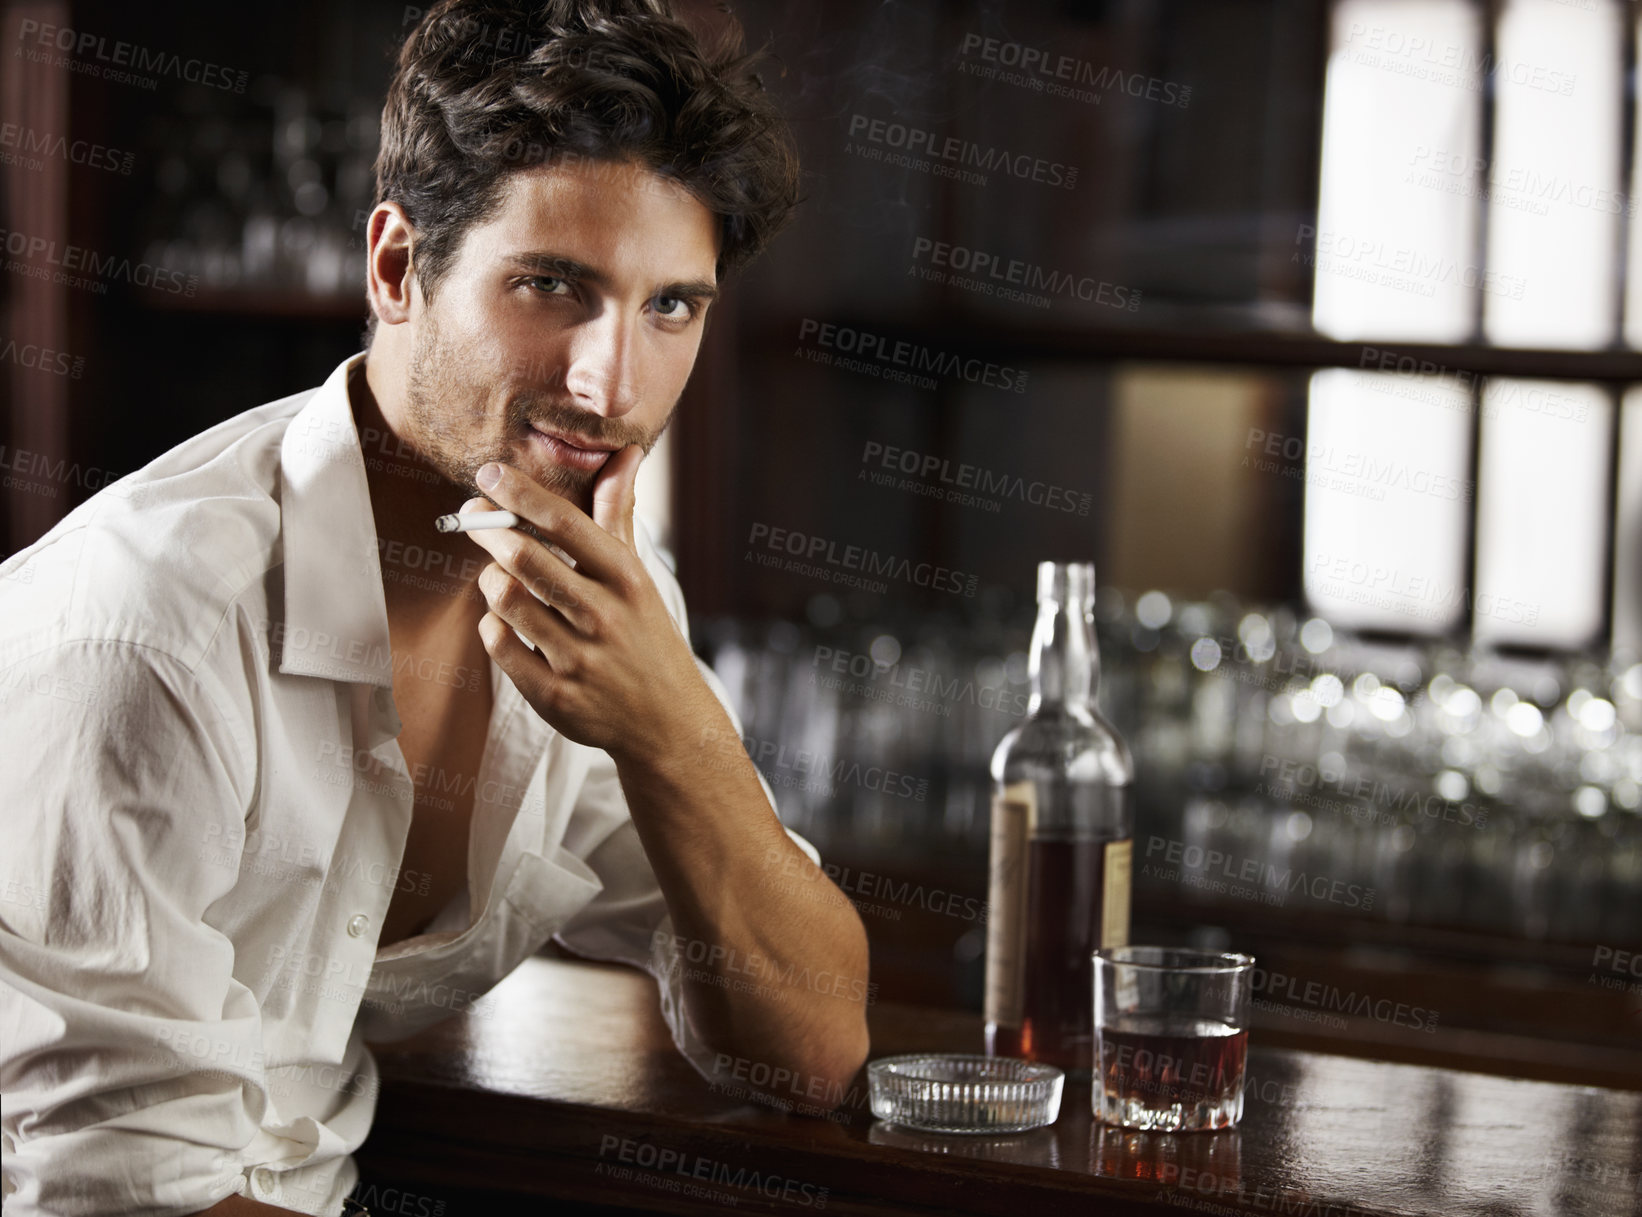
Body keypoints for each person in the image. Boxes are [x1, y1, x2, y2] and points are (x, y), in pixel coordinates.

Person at [0, 1, 871, 1213]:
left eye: (670, 305)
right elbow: (124, 1192)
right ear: (398, 266)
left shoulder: (603, 595)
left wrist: (671, 723)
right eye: (552, 284)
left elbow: (812, 1050)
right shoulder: (144, 633)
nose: (608, 383)